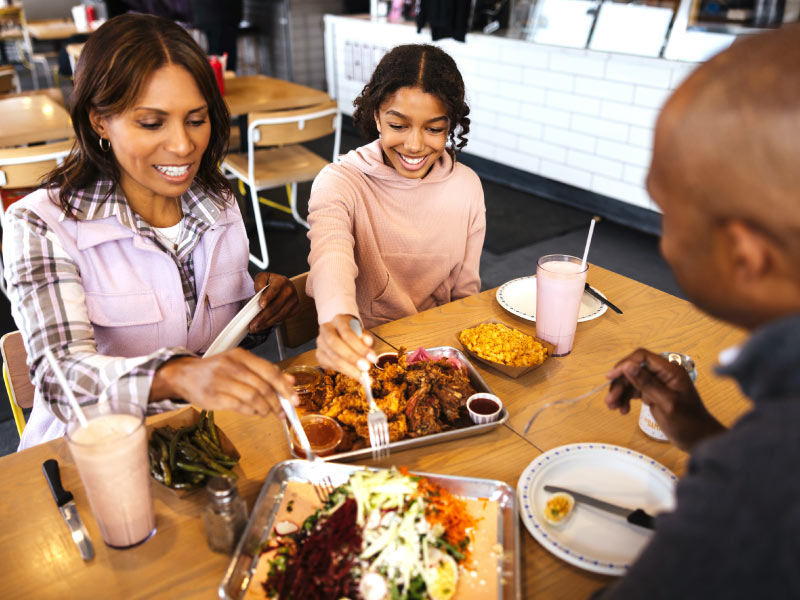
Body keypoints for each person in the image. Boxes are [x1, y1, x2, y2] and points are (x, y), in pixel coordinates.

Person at [3, 14, 299, 451]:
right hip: (92, 456)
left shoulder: (217, 204)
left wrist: (258, 311)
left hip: (203, 438)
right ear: (99, 121)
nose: (182, 145)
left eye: (196, 120)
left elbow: (213, 339)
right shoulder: (40, 224)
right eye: (151, 123)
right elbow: (60, 380)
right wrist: (175, 374)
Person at [596, 25, 800, 597]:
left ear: (744, 254)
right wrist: (705, 435)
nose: (663, 238)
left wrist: (736, 467)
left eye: (666, 212)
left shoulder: (763, 479)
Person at [307, 44, 486, 380]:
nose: (415, 146)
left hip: (438, 351)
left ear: (451, 127)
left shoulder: (467, 187)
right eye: (398, 125)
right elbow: (330, 257)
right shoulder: (340, 182)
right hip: (365, 352)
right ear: (376, 116)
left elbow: (466, 295)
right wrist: (338, 321)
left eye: (434, 129)